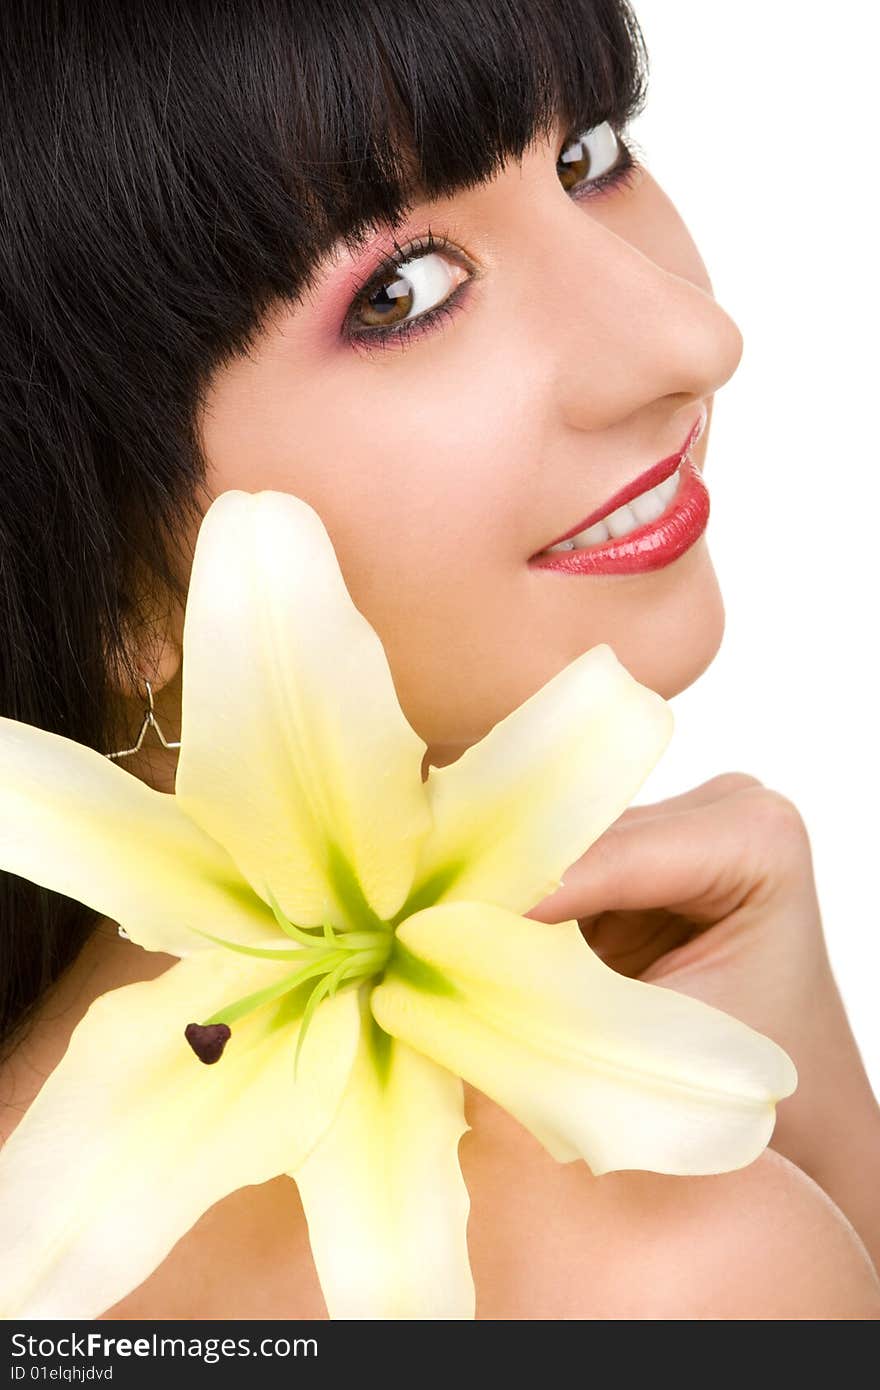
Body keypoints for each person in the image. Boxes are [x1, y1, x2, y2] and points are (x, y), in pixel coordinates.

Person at [1, 0, 878, 1320]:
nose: (693, 340)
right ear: (110, 579)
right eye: (402, 292)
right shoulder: (674, 1265)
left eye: (590, 154)